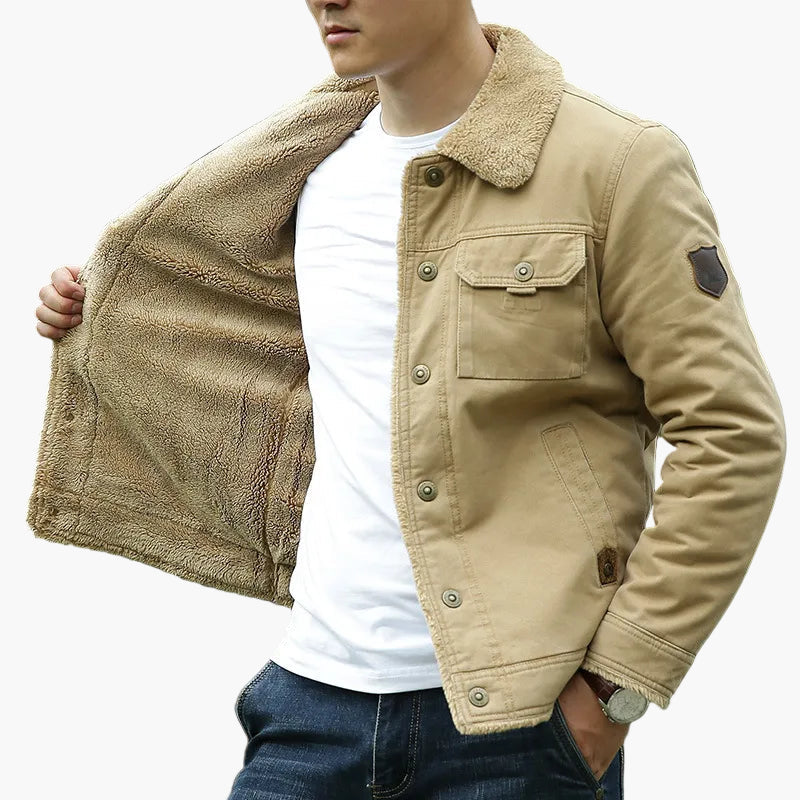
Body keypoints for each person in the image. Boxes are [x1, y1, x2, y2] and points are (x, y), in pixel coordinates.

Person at [32, 2, 786, 799]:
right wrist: (100, 314)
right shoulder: (303, 170)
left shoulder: (615, 163)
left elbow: (732, 431)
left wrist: (614, 690)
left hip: (521, 728)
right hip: (310, 701)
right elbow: (250, 342)